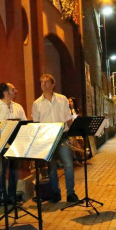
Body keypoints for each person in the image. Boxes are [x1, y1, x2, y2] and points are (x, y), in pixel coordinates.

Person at [32, 74, 79, 203]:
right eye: (41, 82)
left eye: (46, 82)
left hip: (63, 135)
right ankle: (55, 193)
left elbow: (68, 118)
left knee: (68, 165)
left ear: (53, 85)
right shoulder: (36, 103)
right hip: (47, 138)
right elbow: (36, 123)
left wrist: (73, 136)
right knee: (51, 167)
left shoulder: (62, 99)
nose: (43, 84)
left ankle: (70, 193)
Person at [0, 82, 27, 209]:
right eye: (12, 89)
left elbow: (25, 123)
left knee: (14, 171)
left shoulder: (18, 107)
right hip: (1, 144)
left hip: (15, 144)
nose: (15, 91)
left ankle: (11, 196)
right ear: (6, 93)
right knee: (0, 170)